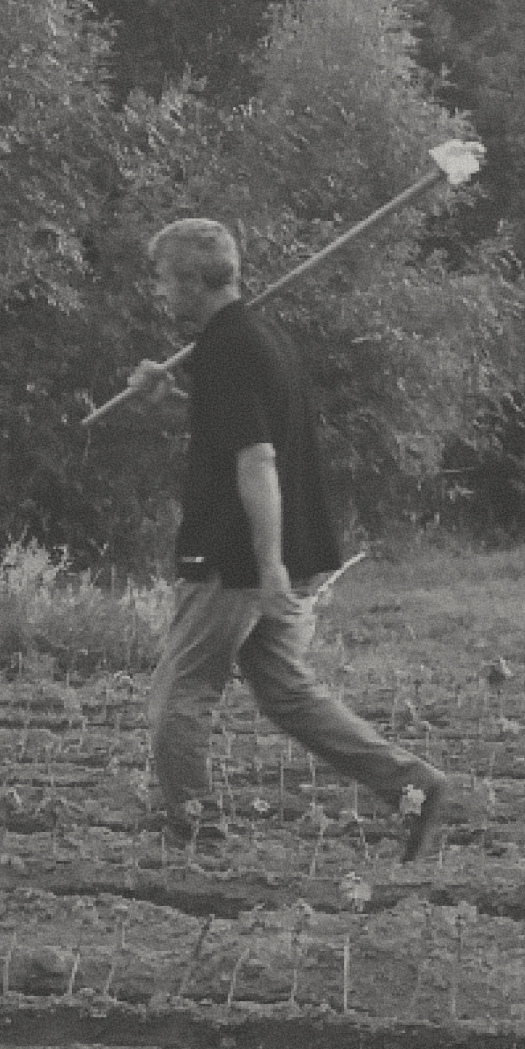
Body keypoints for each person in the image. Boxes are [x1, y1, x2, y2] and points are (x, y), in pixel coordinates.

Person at [127, 217, 447, 861]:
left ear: (193, 280)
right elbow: (224, 433)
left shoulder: (227, 350)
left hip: (231, 559)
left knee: (178, 696)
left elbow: (257, 459)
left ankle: (194, 830)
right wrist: (163, 393)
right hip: (267, 556)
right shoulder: (257, 339)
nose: (160, 294)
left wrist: (267, 566)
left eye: (164, 280)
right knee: (287, 693)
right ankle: (415, 787)